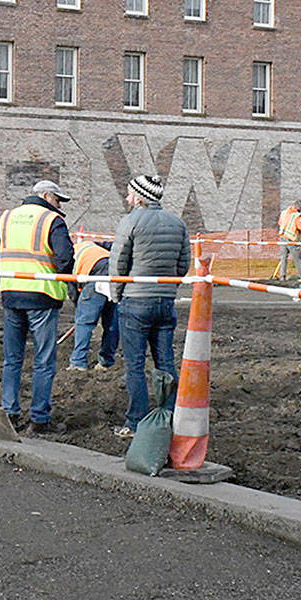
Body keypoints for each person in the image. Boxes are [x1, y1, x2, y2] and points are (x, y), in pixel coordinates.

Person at [0, 180, 75, 435]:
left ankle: (10, 414)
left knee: (13, 359)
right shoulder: (50, 220)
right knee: (43, 360)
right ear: (46, 196)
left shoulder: (7, 218)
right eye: (58, 199)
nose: (59, 205)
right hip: (42, 296)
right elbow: (66, 258)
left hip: (12, 295)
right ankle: (39, 418)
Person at [108, 174, 190, 439]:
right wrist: (170, 287)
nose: (128, 198)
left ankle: (135, 423)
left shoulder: (130, 222)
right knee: (165, 362)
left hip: (135, 300)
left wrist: (115, 294)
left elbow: (119, 263)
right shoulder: (177, 223)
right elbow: (183, 262)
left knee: (135, 365)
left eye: (130, 193)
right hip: (165, 302)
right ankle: (168, 417)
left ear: (140, 196)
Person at [67, 239, 118, 371]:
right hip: (115, 274)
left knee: (85, 322)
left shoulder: (69, 255)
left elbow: (73, 289)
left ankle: (78, 362)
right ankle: (107, 361)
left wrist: (79, 309)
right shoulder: (90, 245)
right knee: (112, 322)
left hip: (96, 275)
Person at [277, 200, 301, 282]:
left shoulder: (284, 212)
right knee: (297, 258)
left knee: (283, 258)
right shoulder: (297, 216)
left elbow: (280, 222)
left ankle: (282, 276)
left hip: (282, 237)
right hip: (291, 239)